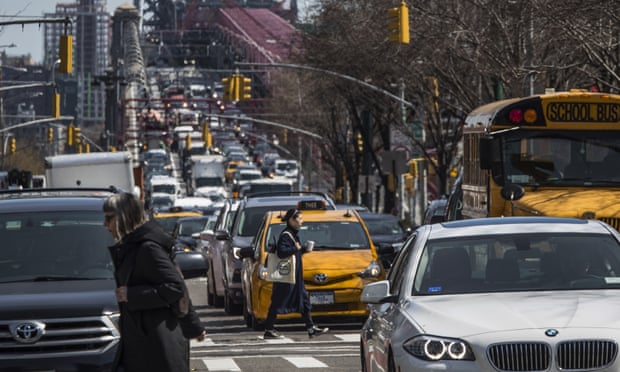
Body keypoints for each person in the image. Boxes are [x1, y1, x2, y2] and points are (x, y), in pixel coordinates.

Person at [103, 192, 206, 372]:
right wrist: (194, 327)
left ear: (124, 218)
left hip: (155, 345)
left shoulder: (147, 248)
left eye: (109, 218)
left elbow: (175, 287)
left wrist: (132, 295)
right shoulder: (134, 247)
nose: (105, 224)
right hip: (143, 342)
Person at [263, 208, 329, 339]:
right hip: (286, 277)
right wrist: (296, 248)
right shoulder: (286, 235)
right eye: (299, 219)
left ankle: (311, 328)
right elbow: (282, 252)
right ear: (291, 220)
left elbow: (293, 252)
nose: (302, 222)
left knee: (304, 301)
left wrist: (303, 250)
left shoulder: (293, 234)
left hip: (295, 276)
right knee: (278, 301)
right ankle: (269, 329)